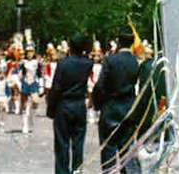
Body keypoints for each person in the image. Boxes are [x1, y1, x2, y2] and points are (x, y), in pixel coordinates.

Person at [92, 30, 141, 174]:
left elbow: (100, 86)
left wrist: (98, 104)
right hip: (128, 110)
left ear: (119, 42)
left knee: (108, 151)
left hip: (111, 109)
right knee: (127, 152)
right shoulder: (135, 62)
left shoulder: (110, 60)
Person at [49, 33, 92, 174]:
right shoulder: (87, 63)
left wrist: (51, 107)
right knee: (78, 143)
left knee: (62, 143)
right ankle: (77, 170)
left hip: (64, 104)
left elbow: (56, 87)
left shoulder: (63, 63)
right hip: (79, 104)